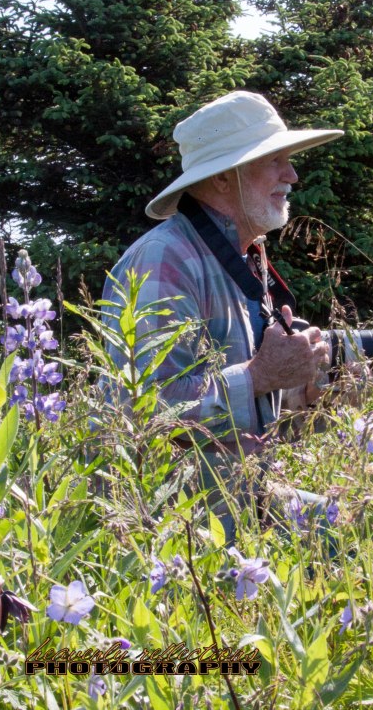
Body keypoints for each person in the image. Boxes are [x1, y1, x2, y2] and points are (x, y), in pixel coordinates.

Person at [101, 90, 344, 542]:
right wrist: (259, 376)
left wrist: (306, 393)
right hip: (172, 522)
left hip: (237, 494)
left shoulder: (240, 258)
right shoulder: (164, 260)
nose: (291, 174)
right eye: (274, 159)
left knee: (351, 523)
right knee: (336, 536)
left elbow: (245, 411)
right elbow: (143, 413)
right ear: (221, 177)